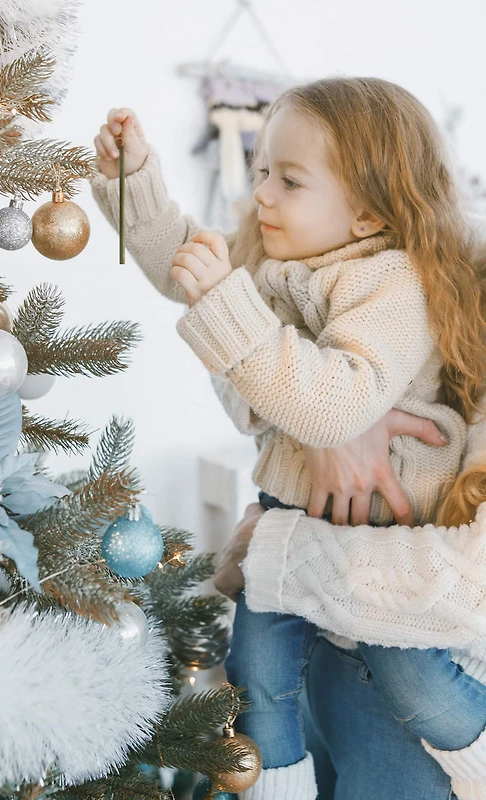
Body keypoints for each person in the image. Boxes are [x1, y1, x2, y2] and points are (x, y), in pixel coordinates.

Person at [90, 77, 486, 799]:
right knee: (255, 673)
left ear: (367, 214)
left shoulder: (393, 283)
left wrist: (228, 303)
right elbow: (186, 259)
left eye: (290, 180)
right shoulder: (281, 262)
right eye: (262, 169)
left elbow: (336, 405)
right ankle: (277, 787)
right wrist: (134, 185)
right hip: (289, 515)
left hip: (380, 540)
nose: (262, 193)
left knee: (407, 679)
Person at [213, 404, 486, 799]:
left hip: (442, 695)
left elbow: (473, 584)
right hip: (328, 640)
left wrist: (272, 549)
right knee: (259, 694)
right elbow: (245, 386)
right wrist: (327, 420)